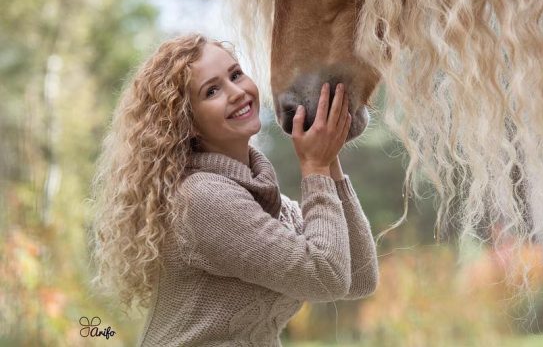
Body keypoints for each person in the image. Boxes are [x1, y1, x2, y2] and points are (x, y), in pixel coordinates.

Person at [89, 33, 379, 346]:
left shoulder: (262, 202)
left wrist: (329, 159)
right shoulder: (202, 198)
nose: (237, 92)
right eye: (212, 90)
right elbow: (327, 277)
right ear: (188, 122)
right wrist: (316, 168)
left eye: (236, 74)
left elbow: (358, 279)